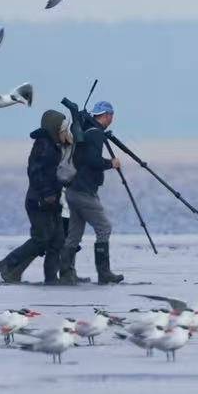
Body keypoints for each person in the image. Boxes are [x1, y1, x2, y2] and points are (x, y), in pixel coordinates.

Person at [0, 109, 70, 285]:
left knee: (57, 239)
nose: (64, 133)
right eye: (62, 129)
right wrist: (47, 193)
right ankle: (7, 264)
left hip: (53, 201)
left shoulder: (54, 144)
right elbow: (35, 172)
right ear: (54, 128)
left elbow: (56, 171)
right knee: (41, 239)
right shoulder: (44, 144)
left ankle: (51, 278)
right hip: (39, 201)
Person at [58, 97, 125, 285]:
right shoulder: (95, 134)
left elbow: (85, 158)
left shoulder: (86, 130)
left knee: (74, 235)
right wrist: (110, 163)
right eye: (111, 115)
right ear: (107, 116)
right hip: (84, 192)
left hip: (73, 191)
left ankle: (65, 274)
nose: (112, 119)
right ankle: (104, 274)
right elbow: (92, 160)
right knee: (104, 228)